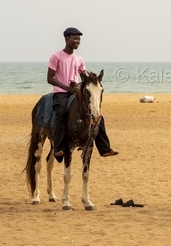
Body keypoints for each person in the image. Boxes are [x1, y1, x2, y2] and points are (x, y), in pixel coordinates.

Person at [47, 27, 118, 162]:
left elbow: (83, 76)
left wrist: (84, 84)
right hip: (61, 93)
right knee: (61, 113)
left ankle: (104, 148)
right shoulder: (56, 57)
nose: (77, 41)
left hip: (75, 92)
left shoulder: (79, 59)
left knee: (97, 115)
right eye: (75, 38)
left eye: (79, 39)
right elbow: (50, 79)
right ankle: (59, 148)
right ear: (66, 39)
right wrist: (68, 88)